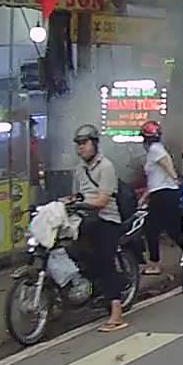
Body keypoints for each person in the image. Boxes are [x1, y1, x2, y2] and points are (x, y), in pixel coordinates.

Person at [66, 124, 127, 332]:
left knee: (104, 262)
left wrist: (82, 205)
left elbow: (102, 200)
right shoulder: (79, 169)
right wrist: (64, 202)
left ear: (95, 144)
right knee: (70, 250)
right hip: (85, 219)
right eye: (78, 144)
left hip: (106, 219)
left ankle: (117, 314)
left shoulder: (105, 166)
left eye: (84, 143)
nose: (80, 148)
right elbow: (77, 195)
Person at [138, 120, 183, 276]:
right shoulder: (155, 150)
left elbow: (167, 163)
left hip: (164, 194)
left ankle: (155, 264)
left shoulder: (155, 149)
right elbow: (155, 180)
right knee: (172, 230)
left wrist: (175, 178)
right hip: (162, 194)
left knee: (152, 229)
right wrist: (145, 197)